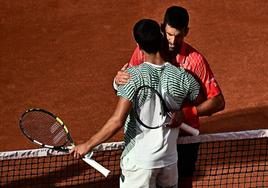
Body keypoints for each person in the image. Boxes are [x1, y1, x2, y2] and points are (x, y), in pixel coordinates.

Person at [71, 19, 204, 188]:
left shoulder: (131, 76)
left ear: (138, 45)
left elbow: (117, 121)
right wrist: (182, 112)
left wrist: (87, 145)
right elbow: (202, 101)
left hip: (139, 164)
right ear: (161, 37)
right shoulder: (182, 76)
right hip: (169, 162)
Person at [114, 6, 225, 186]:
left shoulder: (195, 61)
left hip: (185, 139)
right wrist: (118, 79)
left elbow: (218, 102)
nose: (173, 41)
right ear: (162, 27)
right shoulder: (145, 51)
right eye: (169, 34)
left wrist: (186, 114)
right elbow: (129, 80)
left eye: (179, 35)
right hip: (150, 139)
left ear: (186, 32)